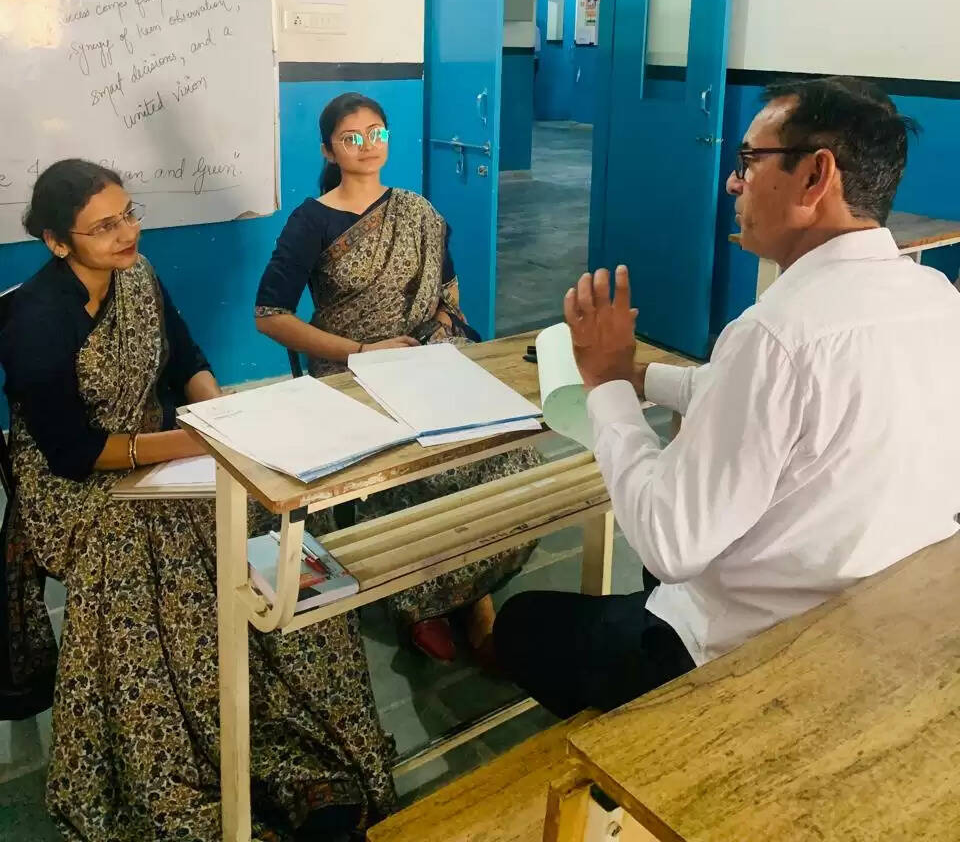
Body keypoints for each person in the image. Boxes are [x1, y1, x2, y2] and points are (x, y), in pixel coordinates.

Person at [494, 76, 960, 716]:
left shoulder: (777, 333)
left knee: (524, 623)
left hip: (747, 651)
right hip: (874, 610)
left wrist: (604, 385)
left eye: (749, 161)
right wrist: (638, 374)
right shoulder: (937, 298)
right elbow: (763, 404)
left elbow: (669, 543)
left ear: (814, 176)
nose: (733, 184)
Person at [0, 160, 396, 841]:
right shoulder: (34, 319)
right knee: (161, 577)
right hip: (79, 488)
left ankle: (300, 751)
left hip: (164, 449)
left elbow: (185, 358)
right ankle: (198, 766)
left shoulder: (137, 276)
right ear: (57, 242)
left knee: (270, 535)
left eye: (128, 214)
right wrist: (194, 442)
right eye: (104, 227)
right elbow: (70, 451)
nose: (127, 233)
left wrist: (221, 417)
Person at [255, 92, 538, 662]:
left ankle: (473, 588)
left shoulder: (418, 211)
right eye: (351, 138)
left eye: (376, 133)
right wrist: (364, 350)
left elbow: (447, 294)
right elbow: (270, 316)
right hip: (352, 367)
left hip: (427, 357)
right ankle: (422, 600)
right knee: (419, 467)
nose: (367, 145)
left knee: (503, 452)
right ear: (329, 150)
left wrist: (436, 334)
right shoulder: (312, 221)